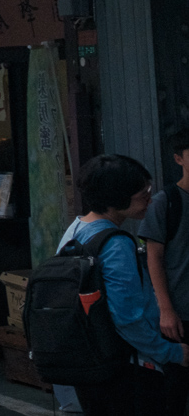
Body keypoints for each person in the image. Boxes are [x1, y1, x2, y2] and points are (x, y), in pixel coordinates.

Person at [69, 152, 188, 415]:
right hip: (127, 368)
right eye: (143, 193)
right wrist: (172, 353)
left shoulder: (75, 231)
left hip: (91, 362)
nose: (149, 198)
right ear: (116, 197)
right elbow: (128, 317)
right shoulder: (116, 244)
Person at [141, 132, 189, 416]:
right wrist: (166, 310)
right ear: (178, 159)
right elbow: (154, 258)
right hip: (181, 313)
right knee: (176, 392)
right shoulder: (166, 201)